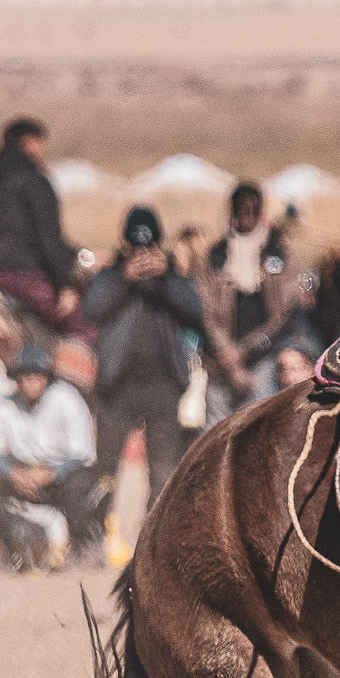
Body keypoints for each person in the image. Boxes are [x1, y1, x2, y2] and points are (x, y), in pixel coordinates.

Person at [83, 206, 205, 506]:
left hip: (164, 385)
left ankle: (154, 532)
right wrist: (124, 279)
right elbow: (92, 309)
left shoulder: (173, 278)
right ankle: (100, 527)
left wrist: (165, 279)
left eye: (149, 247)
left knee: (164, 474)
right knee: (105, 472)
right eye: (135, 248)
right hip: (118, 385)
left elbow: (194, 311)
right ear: (125, 246)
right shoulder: (110, 277)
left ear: (159, 245)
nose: (142, 255)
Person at [198, 182, 306, 422]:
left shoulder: (280, 255)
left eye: (253, 208)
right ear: (232, 211)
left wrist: (246, 351)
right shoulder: (215, 256)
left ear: (260, 211)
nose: (247, 214)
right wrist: (229, 357)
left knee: (259, 427)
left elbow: (286, 311)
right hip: (220, 360)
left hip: (264, 357)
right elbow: (205, 309)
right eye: (241, 208)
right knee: (215, 430)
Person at [0, 343, 99, 569]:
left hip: (64, 475)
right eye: (23, 377)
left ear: (46, 377)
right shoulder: (5, 406)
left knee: (79, 485)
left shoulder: (67, 398)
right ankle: (2, 547)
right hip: (23, 475)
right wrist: (13, 474)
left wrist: (51, 473)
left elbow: (81, 453)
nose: (28, 382)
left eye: (34, 376)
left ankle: (81, 547)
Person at [0, 117, 86, 335]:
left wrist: (83, 256)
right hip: (24, 275)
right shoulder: (34, 180)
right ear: (30, 143)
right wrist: (65, 286)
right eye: (40, 143)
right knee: (80, 324)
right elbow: (49, 240)